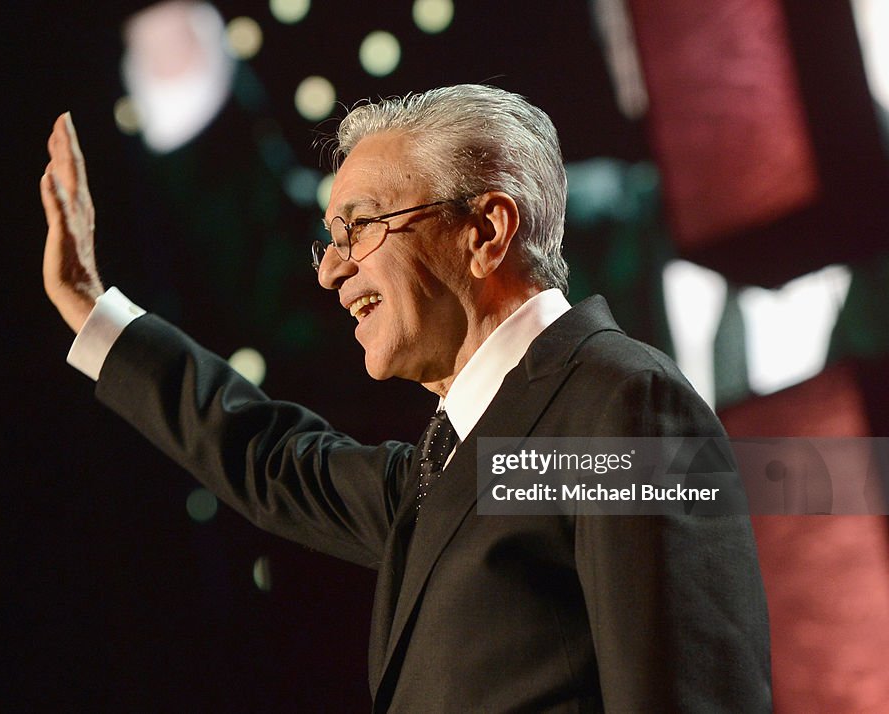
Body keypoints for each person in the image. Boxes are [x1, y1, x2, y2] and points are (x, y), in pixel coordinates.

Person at [40, 85, 771, 712]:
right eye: (329, 239)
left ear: (486, 231)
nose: (331, 271)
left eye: (357, 228)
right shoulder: (453, 474)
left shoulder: (620, 407)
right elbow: (270, 460)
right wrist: (89, 308)